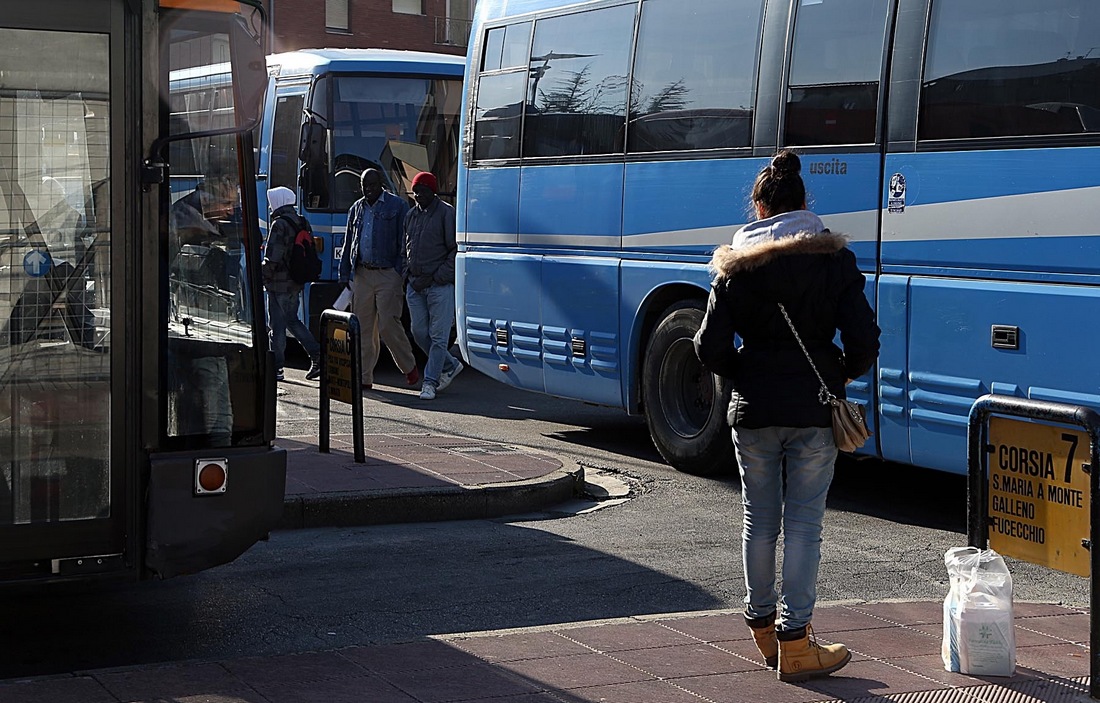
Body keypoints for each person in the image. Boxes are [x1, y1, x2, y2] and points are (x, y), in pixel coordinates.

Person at [693, 150, 880, 683]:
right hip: (813, 409)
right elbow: (865, 338)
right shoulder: (833, 261)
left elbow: (708, 348)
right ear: (804, 204)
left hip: (753, 410)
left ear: (759, 206)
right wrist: (838, 373)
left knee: (759, 520)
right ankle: (796, 640)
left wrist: (747, 372)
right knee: (803, 527)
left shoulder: (734, 267)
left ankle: (761, 627)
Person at [338, 169, 420, 391]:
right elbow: (349, 241)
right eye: (365, 186)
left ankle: (409, 367)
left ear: (381, 184)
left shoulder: (398, 206)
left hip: (387, 273)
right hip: (362, 272)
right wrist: (344, 271)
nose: (368, 190)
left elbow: (406, 241)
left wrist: (398, 271)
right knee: (362, 328)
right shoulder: (356, 208)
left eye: (372, 185)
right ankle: (364, 377)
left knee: (387, 324)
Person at [403, 171, 462, 400]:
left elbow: (455, 250)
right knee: (418, 332)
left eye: (422, 191)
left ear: (433, 191)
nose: (418, 196)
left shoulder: (447, 214)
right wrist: (407, 274)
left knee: (438, 337)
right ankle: (450, 364)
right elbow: (404, 248)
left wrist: (437, 277)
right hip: (415, 285)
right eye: (415, 191)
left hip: (440, 286)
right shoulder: (410, 215)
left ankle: (430, 382)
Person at [262, 186, 321, 382]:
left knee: (277, 326)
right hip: (295, 282)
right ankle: (317, 357)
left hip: (278, 284)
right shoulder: (302, 221)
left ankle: (277, 367)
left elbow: (273, 257)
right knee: (292, 320)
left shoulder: (279, 224)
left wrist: (263, 276)